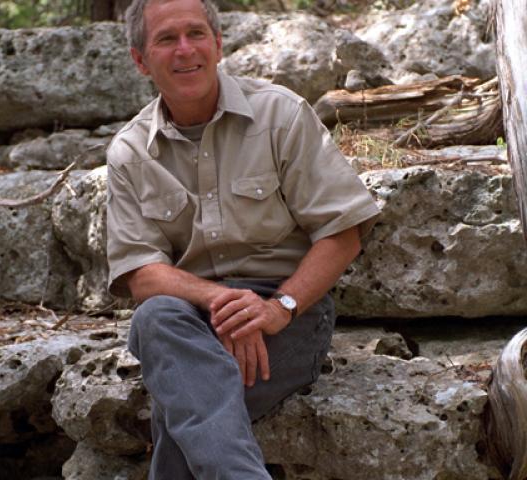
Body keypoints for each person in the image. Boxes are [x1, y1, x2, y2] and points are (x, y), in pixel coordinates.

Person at [106, 0, 380, 477]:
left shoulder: (281, 115)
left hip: (290, 316)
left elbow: (344, 232)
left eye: (196, 34)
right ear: (140, 60)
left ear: (218, 43)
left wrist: (277, 310)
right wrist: (222, 300)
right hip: (190, 321)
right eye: (166, 39)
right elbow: (142, 276)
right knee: (155, 316)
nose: (185, 49)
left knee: (189, 404)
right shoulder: (130, 152)